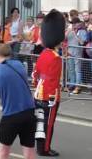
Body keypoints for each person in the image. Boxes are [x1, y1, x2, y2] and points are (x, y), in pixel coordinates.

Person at [0, 43, 36, 159]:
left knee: (3, 152)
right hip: (29, 112)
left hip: (11, 115)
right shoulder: (19, 65)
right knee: (29, 151)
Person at [32, 10, 65, 157]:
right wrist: (53, 98)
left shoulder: (44, 53)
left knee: (40, 122)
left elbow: (35, 74)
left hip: (38, 92)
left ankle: (39, 148)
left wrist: (36, 85)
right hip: (49, 96)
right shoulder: (56, 57)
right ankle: (45, 149)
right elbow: (53, 81)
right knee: (48, 124)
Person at [66, 17, 87, 94]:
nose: (74, 25)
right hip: (70, 52)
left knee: (77, 70)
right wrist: (68, 31)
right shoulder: (70, 31)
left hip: (78, 52)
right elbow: (63, 39)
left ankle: (78, 86)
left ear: (79, 23)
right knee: (71, 69)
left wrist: (75, 34)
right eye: (72, 23)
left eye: (75, 23)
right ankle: (72, 84)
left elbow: (81, 42)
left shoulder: (83, 31)